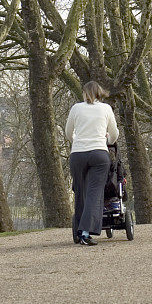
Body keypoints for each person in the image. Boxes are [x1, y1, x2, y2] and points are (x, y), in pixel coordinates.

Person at [65, 81, 119, 245]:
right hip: (99, 154)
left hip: (78, 154)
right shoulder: (106, 109)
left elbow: (68, 131)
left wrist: (76, 141)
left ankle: (79, 231)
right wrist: (107, 139)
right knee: (94, 194)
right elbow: (114, 133)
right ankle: (85, 232)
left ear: (85, 93)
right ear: (99, 93)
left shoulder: (76, 108)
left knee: (80, 192)